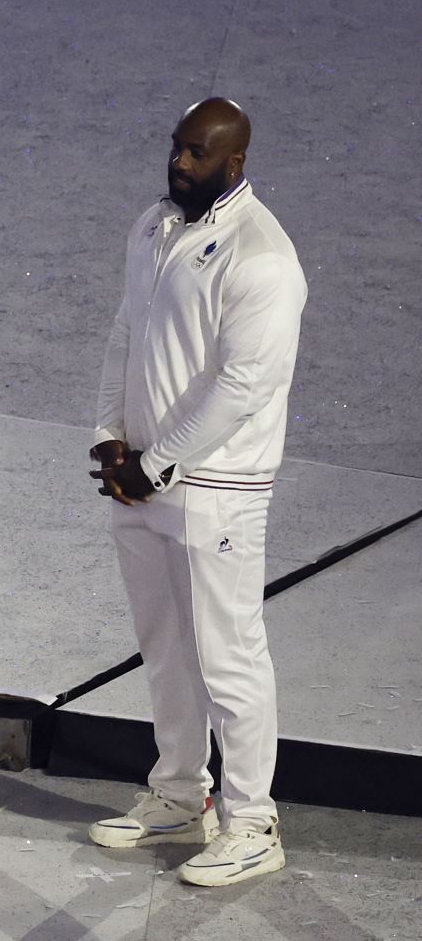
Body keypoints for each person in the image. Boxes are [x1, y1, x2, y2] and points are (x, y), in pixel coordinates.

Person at [87, 97, 306, 887]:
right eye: (177, 149)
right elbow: (127, 332)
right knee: (166, 647)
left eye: (197, 155)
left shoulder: (264, 258)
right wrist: (111, 435)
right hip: (141, 477)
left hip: (217, 487)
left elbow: (244, 386)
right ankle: (181, 794)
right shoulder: (153, 227)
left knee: (229, 654)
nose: (179, 164)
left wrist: (159, 462)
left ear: (235, 163)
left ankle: (253, 823)